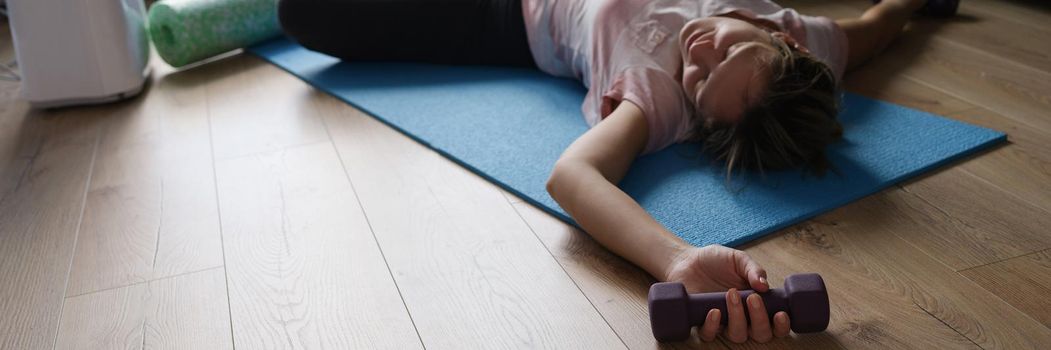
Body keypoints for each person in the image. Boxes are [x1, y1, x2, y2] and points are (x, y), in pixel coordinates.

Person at [278, 0, 958, 343]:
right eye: (725, 52)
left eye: (701, 79)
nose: (699, 56)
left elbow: (572, 175)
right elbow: (877, 25)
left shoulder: (657, 95)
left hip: (511, 15)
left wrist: (676, 259)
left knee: (304, 12)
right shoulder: (807, 40)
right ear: (776, 37)